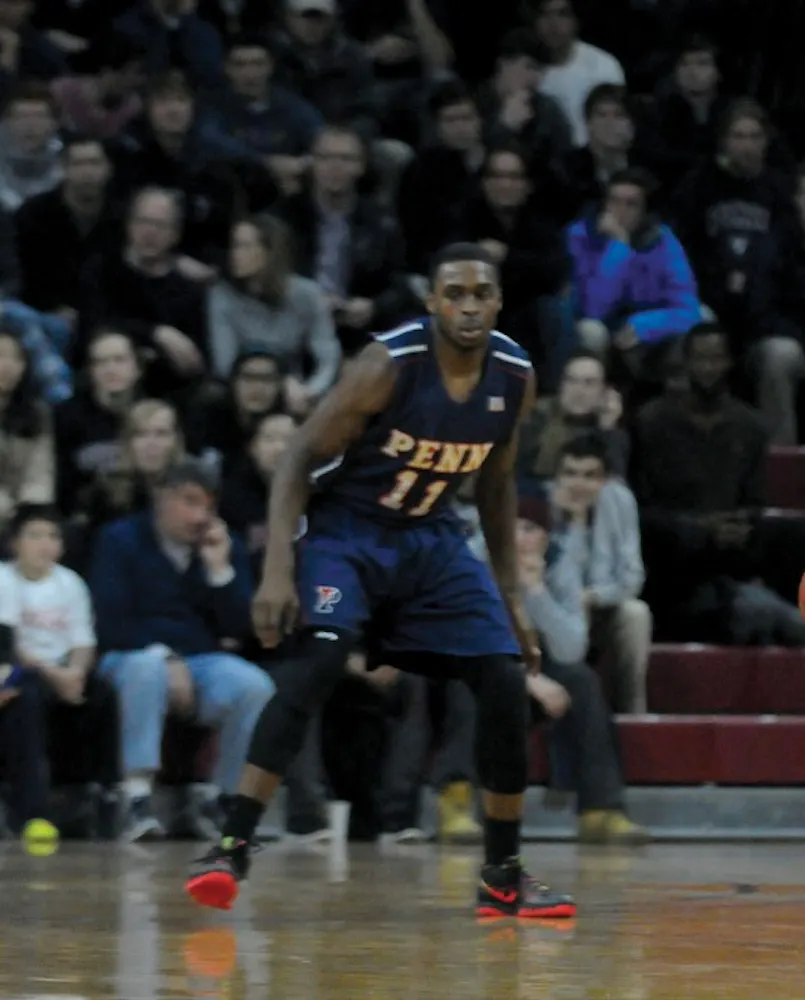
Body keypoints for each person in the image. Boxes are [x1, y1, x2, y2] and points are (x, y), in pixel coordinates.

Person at [183, 243, 575, 921]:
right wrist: (278, 566)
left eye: (482, 293)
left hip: (431, 538)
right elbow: (299, 456)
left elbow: (498, 485)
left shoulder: (514, 373)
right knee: (320, 661)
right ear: (432, 302)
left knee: (505, 679)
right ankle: (230, 845)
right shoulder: (388, 363)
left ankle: (503, 875)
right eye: (454, 293)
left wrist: (513, 599)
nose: (469, 305)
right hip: (346, 531)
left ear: (499, 301)